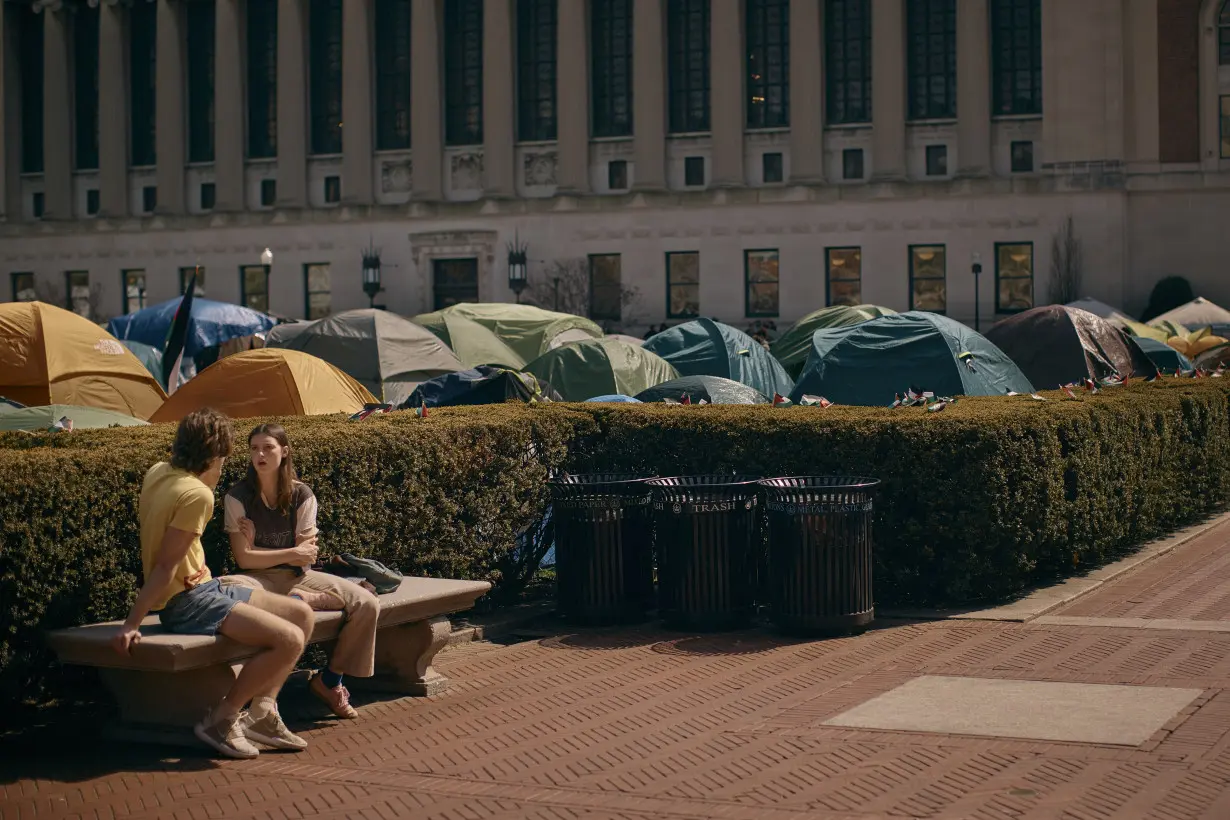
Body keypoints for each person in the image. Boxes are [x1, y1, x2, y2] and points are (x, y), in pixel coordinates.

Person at [112, 408, 314, 759]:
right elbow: (164, 565)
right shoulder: (197, 495)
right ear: (214, 454)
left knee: (302, 616)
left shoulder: (158, 472)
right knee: (289, 640)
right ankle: (222, 719)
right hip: (186, 601)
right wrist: (132, 623)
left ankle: (263, 715)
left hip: (206, 586)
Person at [224, 423, 379, 721]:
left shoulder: (302, 495)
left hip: (298, 577)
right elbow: (244, 561)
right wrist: (286, 552)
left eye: (268, 447)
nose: (260, 454)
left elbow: (303, 559)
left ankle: (330, 682)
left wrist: (260, 546)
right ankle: (263, 698)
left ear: (284, 452)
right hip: (258, 579)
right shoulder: (237, 497)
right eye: (254, 448)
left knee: (367, 604)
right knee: (232, 588)